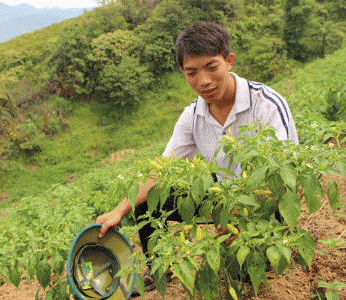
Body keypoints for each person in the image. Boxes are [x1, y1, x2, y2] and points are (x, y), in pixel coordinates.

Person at [96, 21, 299, 294]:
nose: (203, 81)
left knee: (246, 276)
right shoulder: (193, 115)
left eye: (212, 68)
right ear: (182, 71)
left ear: (228, 61)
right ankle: (159, 266)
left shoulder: (266, 104)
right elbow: (162, 170)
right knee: (148, 200)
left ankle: (265, 245)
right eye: (191, 72)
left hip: (263, 204)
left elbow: (282, 178)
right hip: (222, 200)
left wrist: (237, 217)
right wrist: (118, 210)